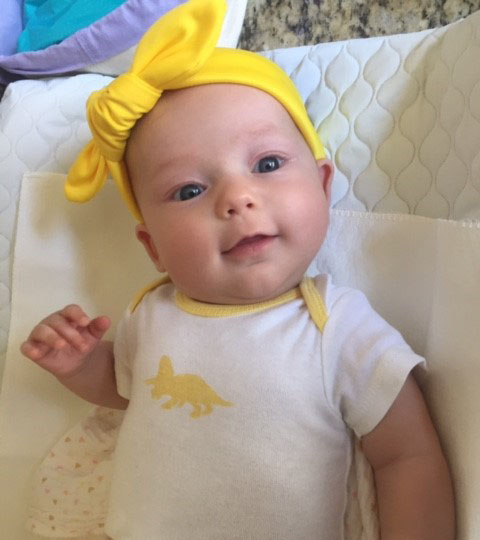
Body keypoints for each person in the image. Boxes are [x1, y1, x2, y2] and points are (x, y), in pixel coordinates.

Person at [20, 0, 455, 538]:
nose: (236, 198)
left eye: (267, 164)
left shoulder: (334, 327)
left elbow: (407, 457)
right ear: (153, 247)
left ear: (321, 186)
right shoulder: (151, 313)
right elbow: (126, 388)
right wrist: (81, 365)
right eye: (189, 190)